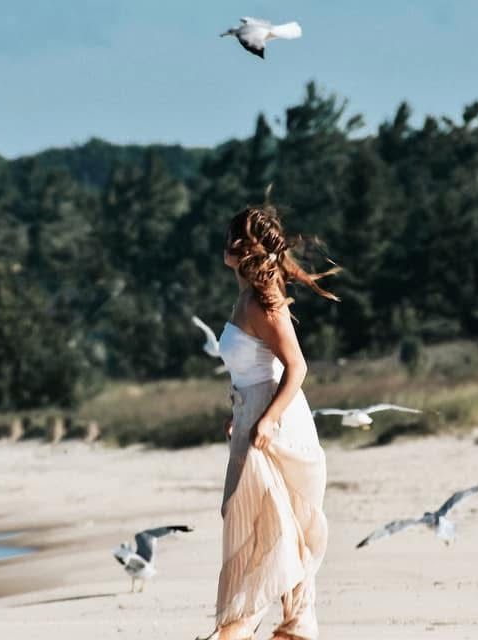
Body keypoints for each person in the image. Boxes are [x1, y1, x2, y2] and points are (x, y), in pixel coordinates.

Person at [198, 201, 339, 640]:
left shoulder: (266, 301)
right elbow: (250, 367)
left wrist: (267, 420)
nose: (230, 242)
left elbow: (296, 366)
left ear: (251, 247)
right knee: (249, 518)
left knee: (271, 523)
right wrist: (238, 412)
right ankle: (289, 626)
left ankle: (244, 629)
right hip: (250, 414)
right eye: (231, 234)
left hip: (276, 423)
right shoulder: (245, 296)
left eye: (238, 236)